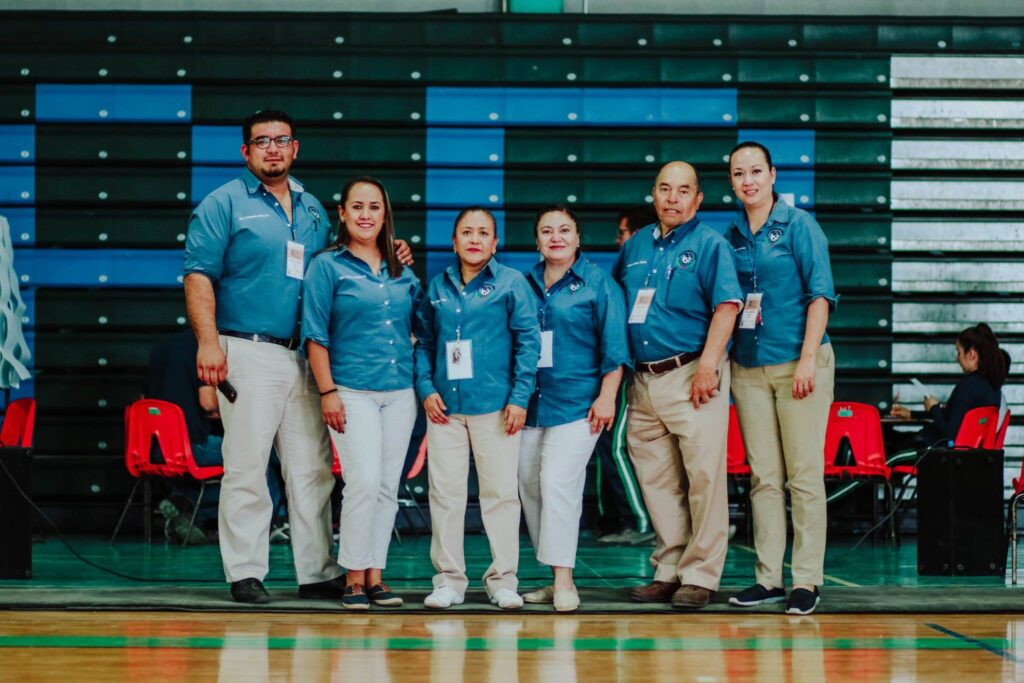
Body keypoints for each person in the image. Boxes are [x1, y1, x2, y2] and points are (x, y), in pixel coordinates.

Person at [183, 109, 411, 604]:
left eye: (280, 140)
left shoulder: (311, 208)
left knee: (311, 468)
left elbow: (342, 257)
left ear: (294, 148)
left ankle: (317, 570)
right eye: (260, 141)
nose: (271, 149)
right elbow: (198, 274)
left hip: (306, 356)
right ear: (246, 152)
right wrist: (207, 343)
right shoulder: (223, 203)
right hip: (247, 348)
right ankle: (245, 571)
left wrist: (391, 251)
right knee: (246, 466)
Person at [616, 162, 742, 610]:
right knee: (658, 480)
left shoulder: (710, 246)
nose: (672, 198)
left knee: (704, 479)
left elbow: (728, 306)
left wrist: (709, 366)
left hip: (693, 375)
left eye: (683, 190)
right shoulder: (634, 248)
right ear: (653, 194)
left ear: (698, 198)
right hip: (644, 380)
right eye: (665, 189)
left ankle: (701, 574)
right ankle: (669, 567)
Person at [722, 141, 837, 617]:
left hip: (798, 362)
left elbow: (821, 295)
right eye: (737, 173)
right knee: (764, 478)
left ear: (772, 174)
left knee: (803, 477)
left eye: (755, 171)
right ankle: (768, 577)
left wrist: (809, 357)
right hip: (749, 367)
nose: (747, 180)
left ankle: (806, 579)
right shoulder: (730, 235)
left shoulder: (799, 225)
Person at [301, 177, 422, 610]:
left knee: (388, 485)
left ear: (385, 214)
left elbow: (417, 329)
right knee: (363, 481)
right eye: (357, 206)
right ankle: (352, 577)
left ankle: (376, 576)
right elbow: (315, 334)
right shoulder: (326, 266)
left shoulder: (402, 270)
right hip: (350, 390)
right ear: (343, 213)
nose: (366, 214)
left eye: (374, 206)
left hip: (400, 391)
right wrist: (328, 391)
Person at [413, 207, 541, 610]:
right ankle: (449, 580)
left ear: (494, 242)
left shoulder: (512, 284)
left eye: (483, 232)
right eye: (466, 232)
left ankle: (502, 580)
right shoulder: (437, 285)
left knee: (500, 495)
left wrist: (520, 397)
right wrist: (425, 387)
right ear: (454, 242)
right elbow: (425, 343)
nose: (474, 239)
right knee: (446, 494)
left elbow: (529, 343)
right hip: (445, 409)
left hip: (496, 406)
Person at [518, 205, 630, 612]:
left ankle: (566, 581)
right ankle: (552, 576)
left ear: (578, 238)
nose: (556, 237)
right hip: (530, 405)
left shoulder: (599, 284)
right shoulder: (524, 283)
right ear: (537, 240)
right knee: (531, 489)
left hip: (580, 404)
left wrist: (607, 395)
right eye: (547, 231)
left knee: (557, 484)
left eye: (564, 230)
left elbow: (615, 347)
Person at [144, 331, 288, 546]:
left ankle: (184, 501)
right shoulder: (203, 347)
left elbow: (144, 399)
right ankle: (277, 522)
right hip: (192, 445)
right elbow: (208, 403)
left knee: (228, 461)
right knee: (259, 453)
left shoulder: (161, 346)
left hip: (155, 448)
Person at [595, 207, 656, 544]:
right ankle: (614, 519)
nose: (618, 240)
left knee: (616, 446)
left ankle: (642, 521)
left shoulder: (648, 270)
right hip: (608, 367)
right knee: (606, 444)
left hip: (626, 369)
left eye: (622, 232)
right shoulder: (623, 271)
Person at [892, 323, 1008, 445]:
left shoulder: (967, 387)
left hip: (930, 453)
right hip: (961, 455)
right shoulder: (992, 388)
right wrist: (912, 414)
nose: (957, 359)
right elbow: (952, 417)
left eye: (959, 352)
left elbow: (949, 438)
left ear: (971, 354)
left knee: (887, 442)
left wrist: (934, 408)